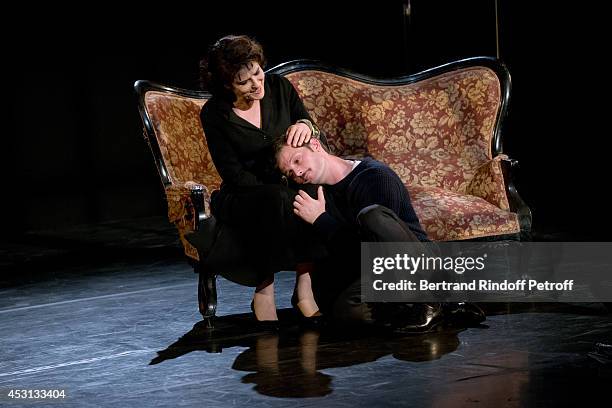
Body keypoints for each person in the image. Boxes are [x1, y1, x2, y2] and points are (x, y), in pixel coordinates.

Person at [275, 137, 486, 330]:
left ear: (315, 145)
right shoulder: (314, 197)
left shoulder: (374, 176)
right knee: (345, 312)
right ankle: (440, 307)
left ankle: (431, 298)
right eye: (290, 173)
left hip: (410, 263)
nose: (298, 173)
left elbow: (378, 250)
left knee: (372, 216)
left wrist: (321, 221)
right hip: (375, 274)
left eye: (297, 161)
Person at [198, 34, 324, 326]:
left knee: (312, 185)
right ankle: (264, 291)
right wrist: (281, 190)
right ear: (227, 84)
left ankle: (304, 289)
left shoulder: (279, 87)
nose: (256, 84)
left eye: (257, 72)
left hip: (288, 181)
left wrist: (306, 127)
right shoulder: (215, 113)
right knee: (276, 199)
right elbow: (232, 173)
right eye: (244, 81)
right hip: (243, 192)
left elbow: (308, 123)